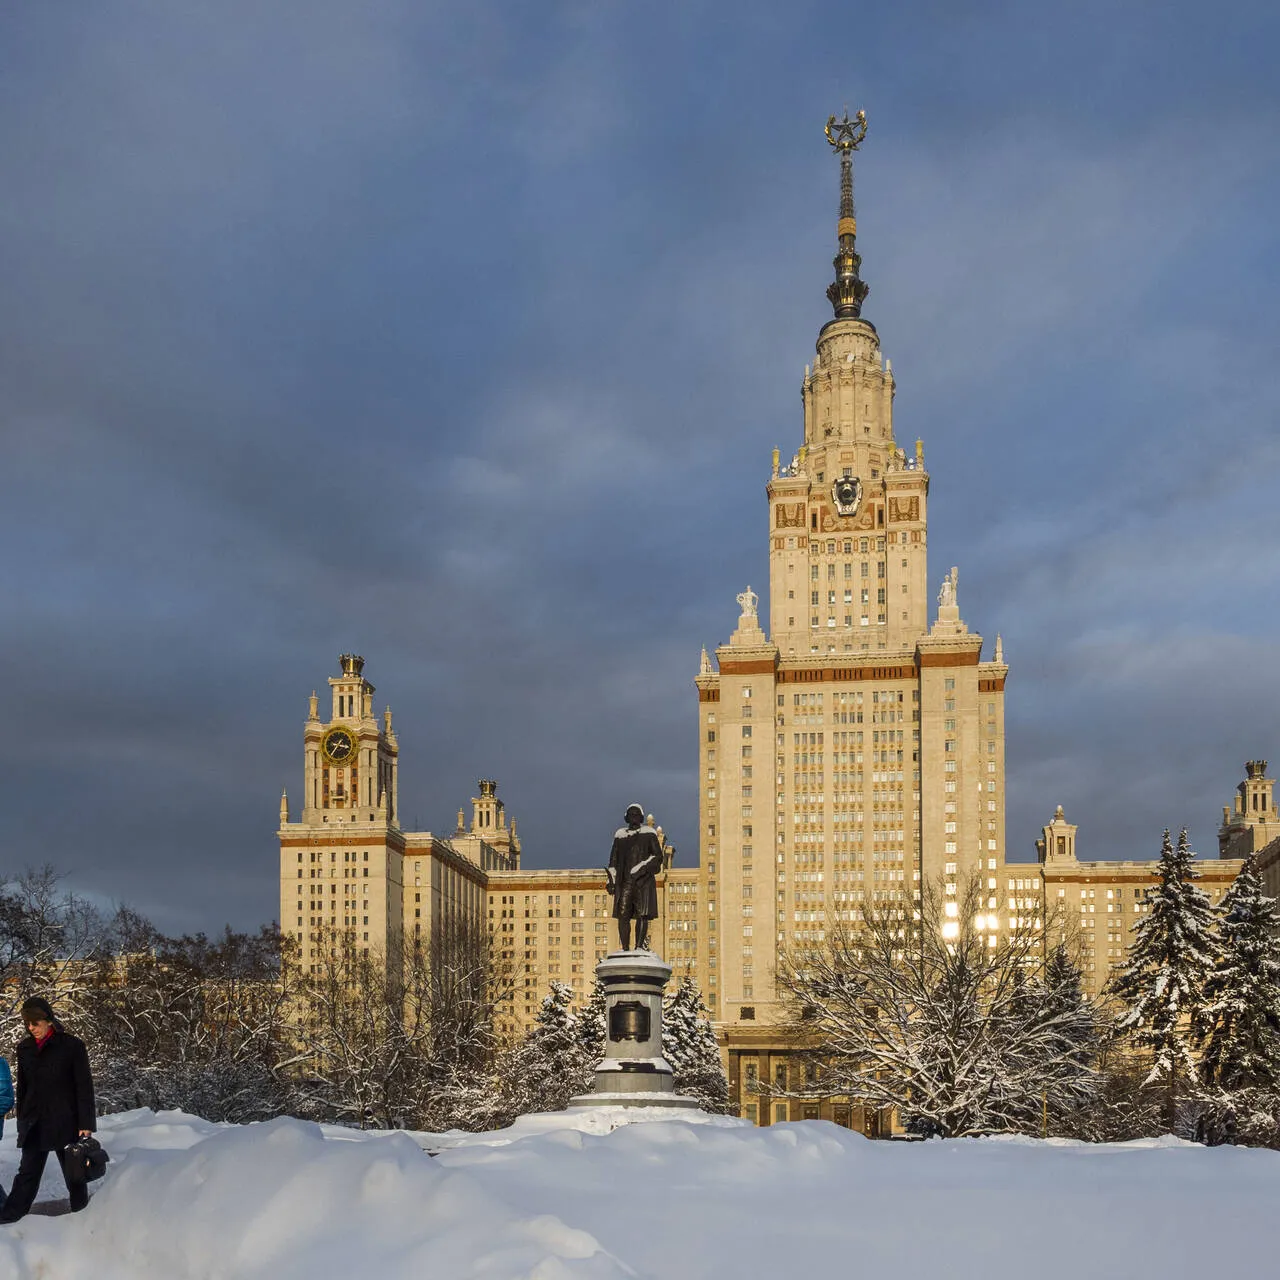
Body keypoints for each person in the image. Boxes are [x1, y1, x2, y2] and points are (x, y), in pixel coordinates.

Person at [0, 997, 96, 1222]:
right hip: (36, 1123)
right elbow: (24, 1088)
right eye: (27, 1024)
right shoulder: (24, 1048)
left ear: (49, 1020)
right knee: (27, 1175)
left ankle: (83, 1218)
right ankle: (9, 1220)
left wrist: (86, 1124)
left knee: (74, 1175)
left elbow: (84, 1087)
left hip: (66, 1122)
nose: (31, 1028)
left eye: (35, 1023)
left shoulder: (72, 1046)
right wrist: (23, 1120)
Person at [607, 803, 662, 951]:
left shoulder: (649, 834)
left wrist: (642, 868)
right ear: (627, 817)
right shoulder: (620, 837)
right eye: (631, 814)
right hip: (625, 883)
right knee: (622, 914)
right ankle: (625, 948)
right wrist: (611, 880)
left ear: (641, 817)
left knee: (642, 914)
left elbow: (657, 857)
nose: (634, 817)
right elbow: (613, 862)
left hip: (642, 883)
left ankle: (638, 947)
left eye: (637, 815)